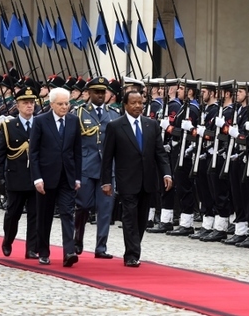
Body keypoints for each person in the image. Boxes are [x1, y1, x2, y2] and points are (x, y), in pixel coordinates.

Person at [101, 91, 172, 267]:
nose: (137, 106)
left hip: (147, 180)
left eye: (140, 103)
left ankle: (135, 247)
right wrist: (106, 182)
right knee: (129, 217)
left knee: (141, 219)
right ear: (125, 105)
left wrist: (166, 173)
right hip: (127, 180)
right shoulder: (115, 126)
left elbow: (159, 153)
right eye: (133, 103)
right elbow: (107, 157)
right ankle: (131, 254)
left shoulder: (151, 125)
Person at [29, 87, 82, 267]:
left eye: (67, 103)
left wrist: (77, 177)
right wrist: (37, 178)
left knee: (68, 213)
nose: (64, 107)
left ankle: (69, 251)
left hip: (67, 177)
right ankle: (43, 251)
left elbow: (77, 152)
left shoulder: (74, 121)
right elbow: (33, 152)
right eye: (60, 104)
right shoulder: (40, 121)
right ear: (51, 104)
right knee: (45, 216)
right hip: (46, 177)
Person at [74, 77, 119, 259]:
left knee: (105, 209)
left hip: (107, 169)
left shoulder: (114, 114)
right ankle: (78, 238)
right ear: (89, 93)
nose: (100, 95)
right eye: (97, 92)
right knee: (83, 205)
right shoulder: (79, 113)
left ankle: (101, 247)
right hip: (86, 166)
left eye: (103, 92)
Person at [0, 86, 38, 259]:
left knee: (35, 216)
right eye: (25, 103)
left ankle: (31, 248)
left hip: (36, 179)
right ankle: (8, 240)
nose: (29, 106)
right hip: (16, 177)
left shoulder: (40, 124)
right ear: (17, 105)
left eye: (32, 103)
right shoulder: (8, 126)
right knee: (13, 215)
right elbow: (0, 155)